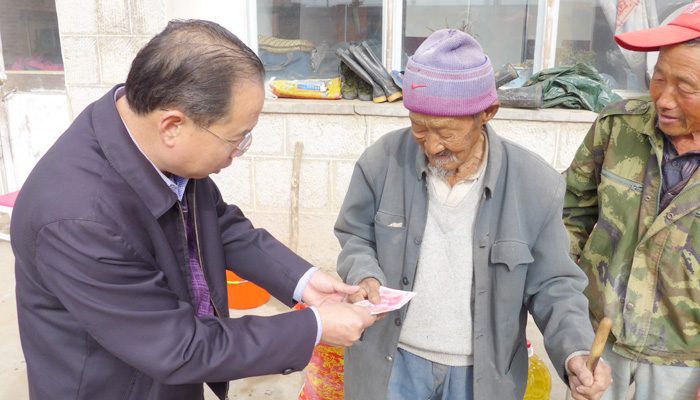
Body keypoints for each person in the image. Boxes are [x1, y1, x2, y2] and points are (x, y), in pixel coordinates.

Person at [12, 19, 376, 400]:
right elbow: (179, 348)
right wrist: (313, 328)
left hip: (167, 378)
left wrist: (303, 281)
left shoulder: (144, 137)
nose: (238, 152)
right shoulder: (78, 219)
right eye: (235, 139)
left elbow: (216, 223)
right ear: (172, 125)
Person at [334, 28, 612, 400]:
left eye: (446, 131)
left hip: (481, 378)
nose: (432, 145)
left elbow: (554, 286)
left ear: (487, 114)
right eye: (419, 128)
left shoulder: (536, 185)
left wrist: (576, 351)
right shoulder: (381, 161)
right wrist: (364, 273)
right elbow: (355, 236)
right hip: (391, 365)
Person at [563, 2, 700, 399]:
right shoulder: (618, 127)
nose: (664, 100)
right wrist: (565, 312)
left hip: (684, 363)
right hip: (601, 346)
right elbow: (571, 215)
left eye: (685, 87)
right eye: (659, 78)